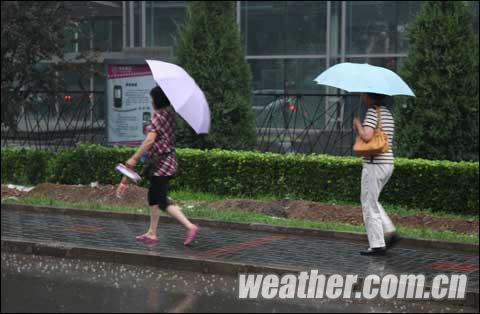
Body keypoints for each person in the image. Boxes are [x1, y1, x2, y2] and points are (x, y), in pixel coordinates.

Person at [126, 86, 199, 246]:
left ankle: (190, 226)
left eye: (152, 98)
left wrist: (134, 158)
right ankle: (152, 233)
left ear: (157, 100)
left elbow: (150, 140)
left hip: (161, 164)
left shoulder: (158, 117)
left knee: (161, 200)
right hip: (167, 160)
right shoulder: (170, 115)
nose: (150, 101)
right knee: (153, 197)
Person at [353, 92, 401, 256]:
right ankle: (388, 232)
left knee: (368, 204)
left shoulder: (373, 112)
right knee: (372, 201)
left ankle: (377, 245)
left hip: (374, 164)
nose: (362, 96)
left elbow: (367, 136)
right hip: (387, 162)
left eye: (364, 94)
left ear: (370, 96)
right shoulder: (387, 113)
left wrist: (358, 124)